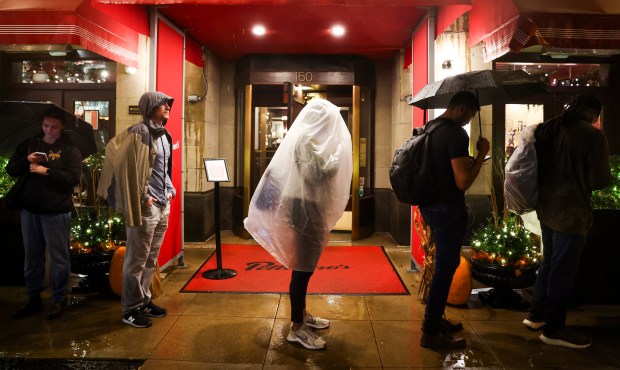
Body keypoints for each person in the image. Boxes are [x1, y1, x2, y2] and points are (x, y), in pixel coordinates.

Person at [244, 98, 352, 350]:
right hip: (304, 209)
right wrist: (336, 161)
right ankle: (296, 328)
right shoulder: (305, 139)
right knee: (302, 267)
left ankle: (302, 314)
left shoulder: (311, 139)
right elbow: (314, 174)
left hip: (309, 207)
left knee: (306, 266)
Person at [523, 94, 610, 349]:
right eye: (596, 115)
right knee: (563, 270)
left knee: (550, 262)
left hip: (546, 207)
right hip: (571, 213)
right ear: (591, 113)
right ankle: (555, 328)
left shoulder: (549, 128)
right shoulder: (593, 136)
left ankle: (536, 314)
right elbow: (600, 180)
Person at [97, 91, 176, 328]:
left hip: (162, 205)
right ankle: (130, 309)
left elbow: (161, 169)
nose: (167, 106)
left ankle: (144, 300)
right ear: (150, 107)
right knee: (136, 260)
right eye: (163, 104)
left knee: (151, 258)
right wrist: (143, 197)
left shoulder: (164, 135)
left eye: (168, 104)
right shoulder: (139, 133)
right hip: (146, 208)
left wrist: (170, 189)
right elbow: (128, 167)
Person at [418, 91, 490, 349]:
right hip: (448, 209)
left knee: (441, 267)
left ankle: (436, 320)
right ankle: (430, 332)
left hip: (429, 206)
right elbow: (463, 181)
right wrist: (482, 154)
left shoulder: (430, 128)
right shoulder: (456, 134)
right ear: (461, 108)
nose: (469, 120)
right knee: (445, 270)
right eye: (470, 115)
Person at [6, 105, 82, 320]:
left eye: (54, 127)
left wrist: (46, 171)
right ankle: (33, 297)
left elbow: (72, 179)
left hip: (56, 211)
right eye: (46, 126)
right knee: (32, 257)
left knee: (59, 257)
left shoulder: (70, 150)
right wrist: (27, 161)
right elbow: (11, 170)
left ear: (62, 128)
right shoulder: (31, 144)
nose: (49, 130)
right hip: (30, 210)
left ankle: (58, 297)